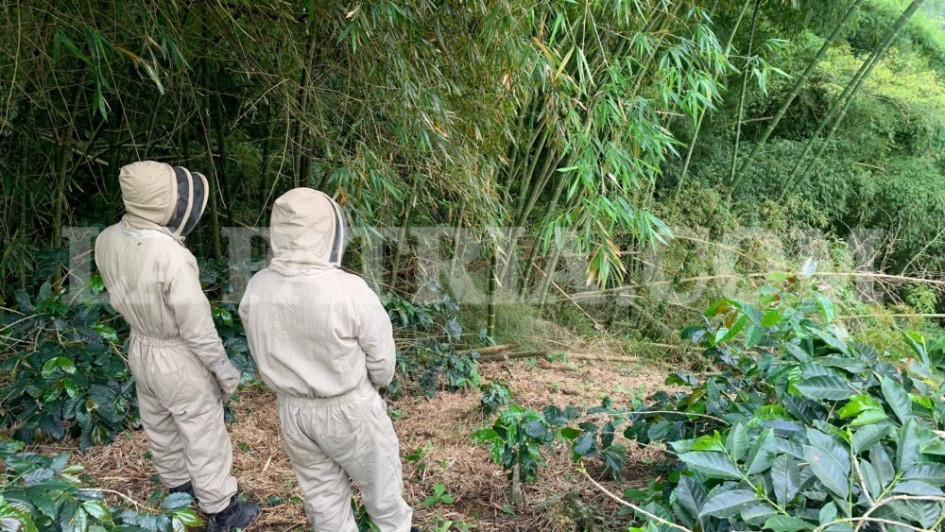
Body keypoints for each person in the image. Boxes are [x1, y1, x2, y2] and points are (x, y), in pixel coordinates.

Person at [94, 161, 260, 532]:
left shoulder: (106, 238)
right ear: (160, 200)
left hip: (139, 345)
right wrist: (221, 367)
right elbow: (195, 324)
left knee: (160, 425)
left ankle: (179, 493)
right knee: (202, 429)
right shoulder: (171, 256)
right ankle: (222, 510)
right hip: (175, 352)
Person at [239, 188, 416, 532]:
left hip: (293, 411)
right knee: (383, 490)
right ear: (328, 231)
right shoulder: (350, 290)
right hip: (350, 408)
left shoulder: (258, 286)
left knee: (322, 497)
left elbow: (258, 346)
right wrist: (373, 385)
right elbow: (383, 364)